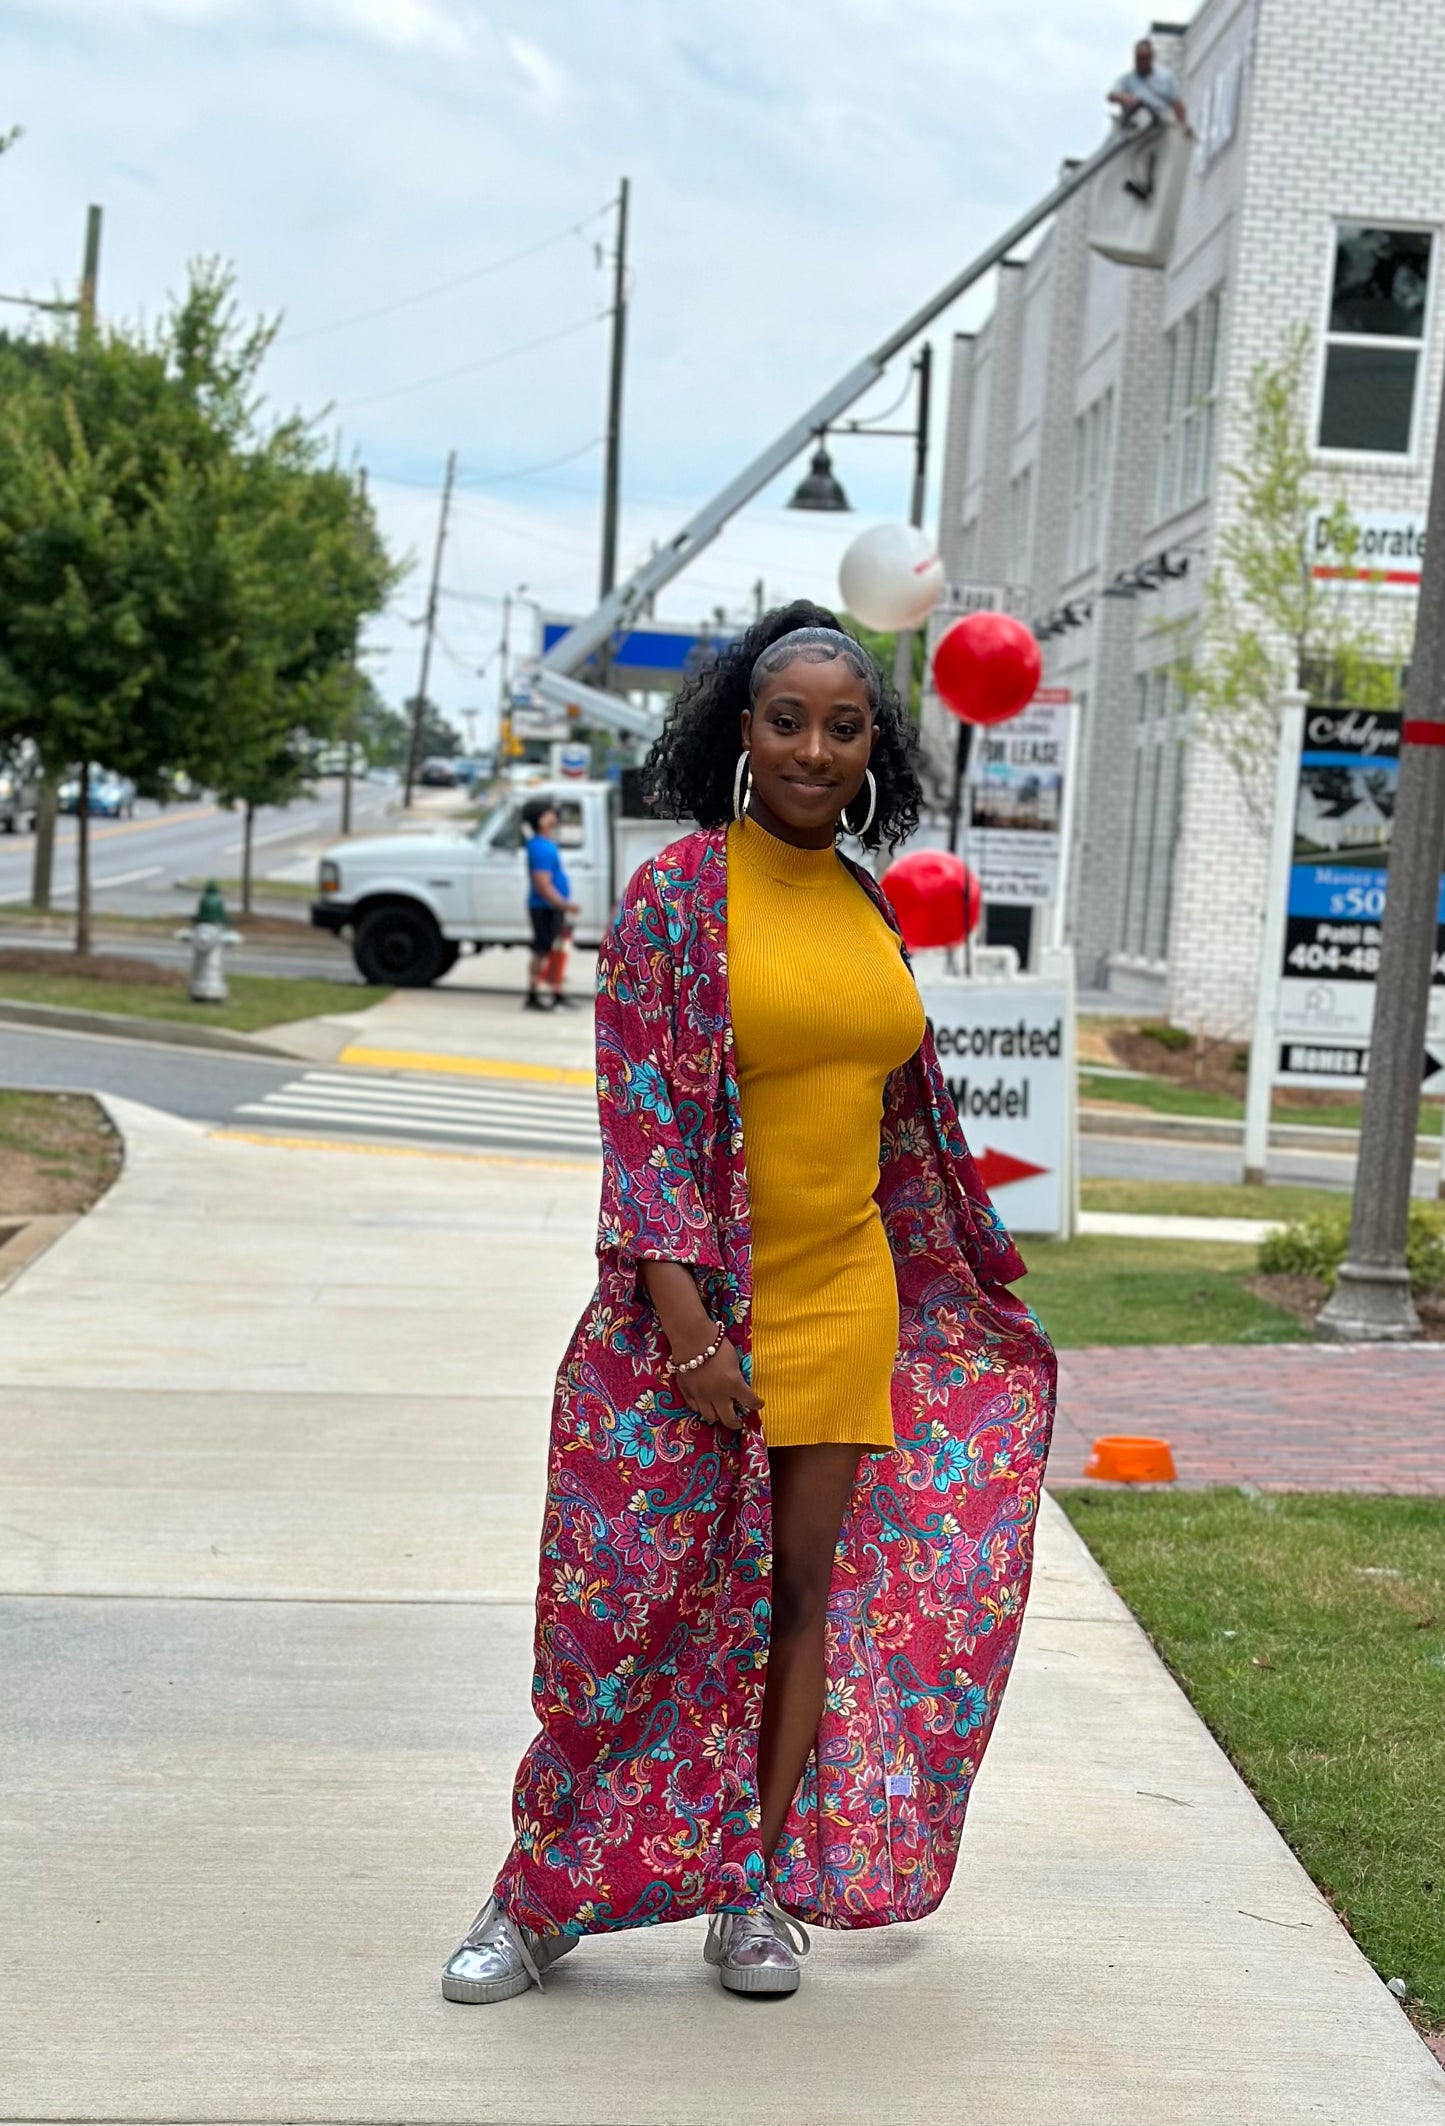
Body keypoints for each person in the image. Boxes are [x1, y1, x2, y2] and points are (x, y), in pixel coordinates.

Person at [441, 601, 1056, 2004]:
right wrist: (690, 1330)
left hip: (845, 1296)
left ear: (872, 750)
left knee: (795, 1598)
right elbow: (642, 1122)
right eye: (789, 719)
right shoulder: (675, 896)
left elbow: (898, 1116)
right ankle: (535, 1894)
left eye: (845, 727)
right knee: (630, 1612)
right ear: (739, 729)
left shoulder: (864, 901)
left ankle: (750, 1884)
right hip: (697, 1308)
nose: (814, 748)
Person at [520, 797, 578, 1011]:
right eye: (549, 813)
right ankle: (533, 994)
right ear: (542, 820)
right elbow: (542, 884)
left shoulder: (544, 845)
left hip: (551, 907)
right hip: (545, 908)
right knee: (542, 950)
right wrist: (563, 904)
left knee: (556, 950)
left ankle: (556, 992)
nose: (554, 816)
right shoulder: (541, 848)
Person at [1108, 36, 1189, 129]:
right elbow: (1111, 96)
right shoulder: (1127, 79)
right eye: (1139, 58)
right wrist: (1125, 98)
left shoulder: (1166, 76)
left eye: (1144, 58)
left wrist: (1183, 126)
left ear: (1151, 58)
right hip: (1136, 126)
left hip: (1160, 125)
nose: (1141, 62)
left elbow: (1177, 103)